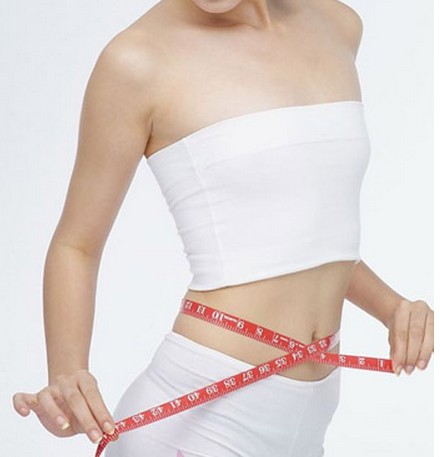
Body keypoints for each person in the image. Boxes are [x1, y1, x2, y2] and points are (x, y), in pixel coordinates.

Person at [12, 0, 434, 456]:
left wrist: (392, 307)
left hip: (311, 421)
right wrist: (67, 373)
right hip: (198, 423)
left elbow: (297, 237)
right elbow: (76, 244)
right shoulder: (136, 61)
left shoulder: (338, 25)